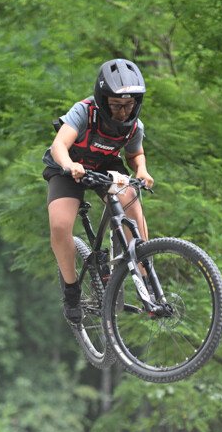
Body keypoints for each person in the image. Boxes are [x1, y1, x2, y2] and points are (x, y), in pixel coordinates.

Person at [42, 58, 154, 324]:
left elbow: (135, 153)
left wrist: (141, 170)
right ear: (103, 99)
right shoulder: (84, 111)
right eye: (116, 105)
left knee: (131, 202)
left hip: (105, 168)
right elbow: (59, 145)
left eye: (129, 105)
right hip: (68, 167)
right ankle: (71, 290)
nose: (123, 112)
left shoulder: (134, 126)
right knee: (60, 226)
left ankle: (146, 277)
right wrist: (69, 165)